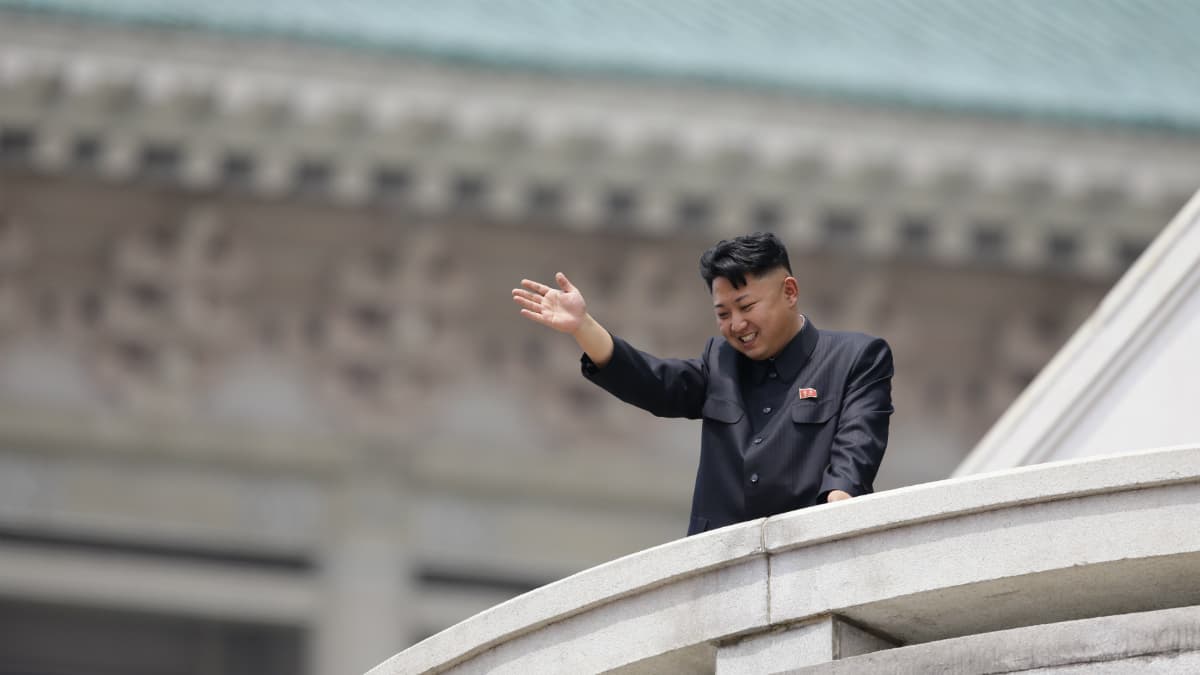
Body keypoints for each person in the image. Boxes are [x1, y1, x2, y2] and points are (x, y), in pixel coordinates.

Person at [511, 232, 893, 535]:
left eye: (746, 307)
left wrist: (837, 512)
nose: (736, 325)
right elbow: (654, 383)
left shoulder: (854, 358)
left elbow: (856, 449)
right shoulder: (720, 361)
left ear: (789, 292)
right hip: (718, 565)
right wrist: (583, 326)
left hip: (807, 556)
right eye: (723, 313)